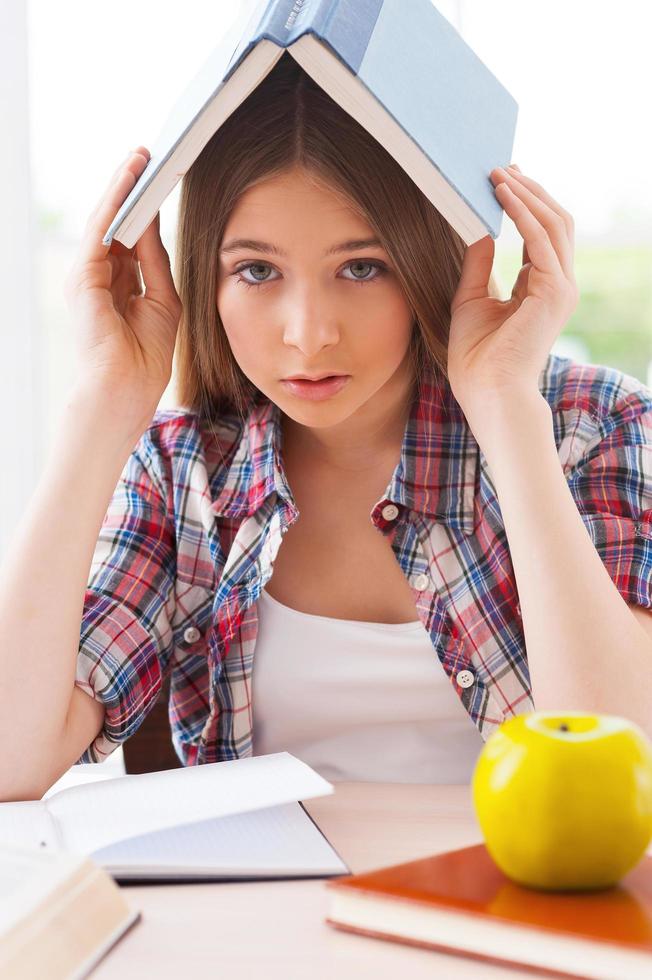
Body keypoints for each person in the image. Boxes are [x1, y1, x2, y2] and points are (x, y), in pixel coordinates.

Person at [2, 54, 651, 801]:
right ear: (204, 279)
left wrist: (506, 409)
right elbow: (8, 762)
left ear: (431, 259)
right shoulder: (187, 470)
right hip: (273, 917)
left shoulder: (590, 426)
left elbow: (623, 767)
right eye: (256, 271)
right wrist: (102, 405)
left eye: (361, 268)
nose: (308, 335)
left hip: (523, 915)